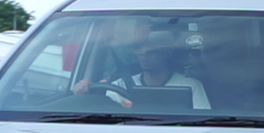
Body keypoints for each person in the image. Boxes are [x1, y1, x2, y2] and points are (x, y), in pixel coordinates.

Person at [73, 30, 210, 109]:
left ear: (166, 52)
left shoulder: (191, 85)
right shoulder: (119, 87)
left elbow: (205, 123)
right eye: (139, 48)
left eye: (152, 50)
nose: (143, 53)